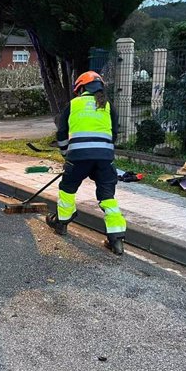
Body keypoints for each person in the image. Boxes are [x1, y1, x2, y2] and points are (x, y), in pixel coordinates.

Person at [46, 71, 127, 255]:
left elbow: (61, 133)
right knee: (107, 196)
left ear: (81, 88)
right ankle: (116, 239)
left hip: (78, 158)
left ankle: (62, 222)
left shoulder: (74, 104)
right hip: (105, 159)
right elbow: (114, 134)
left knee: (67, 189)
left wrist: (66, 153)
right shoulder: (108, 106)